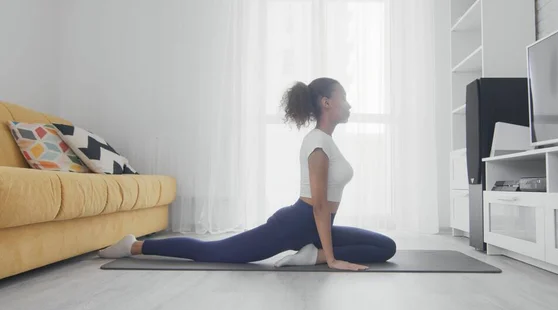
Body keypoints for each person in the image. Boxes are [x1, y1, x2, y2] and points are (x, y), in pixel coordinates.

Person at [99, 78, 396, 271]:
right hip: (295, 224)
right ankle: (134, 246)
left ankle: (310, 255)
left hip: (316, 228)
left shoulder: (328, 142)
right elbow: (318, 205)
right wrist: (332, 261)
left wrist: (323, 256)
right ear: (326, 103)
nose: (350, 104)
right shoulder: (317, 143)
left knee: (385, 247)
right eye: (344, 97)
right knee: (214, 252)